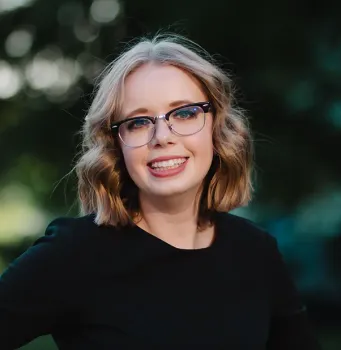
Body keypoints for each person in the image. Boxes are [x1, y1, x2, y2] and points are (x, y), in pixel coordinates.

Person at [0, 33, 321, 350]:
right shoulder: (75, 253)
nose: (162, 136)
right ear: (116, 144)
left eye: (184, 113)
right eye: (138, 122)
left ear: (216, 127)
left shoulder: (255, 252)